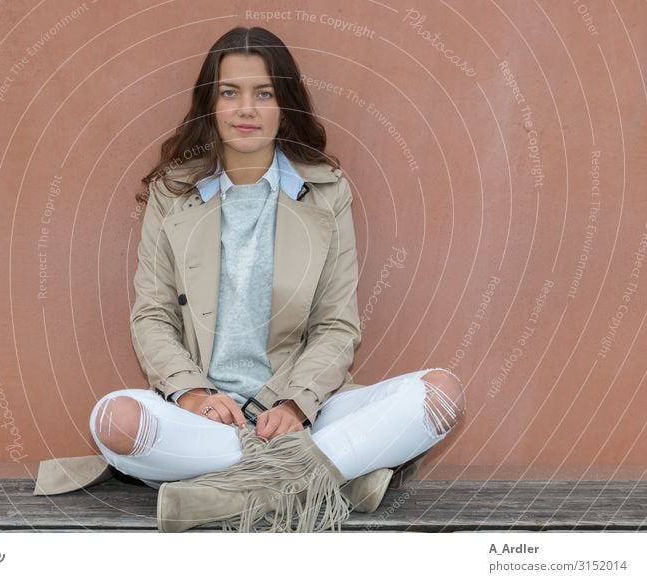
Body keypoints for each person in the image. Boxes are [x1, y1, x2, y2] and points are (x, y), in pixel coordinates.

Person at [88, 26, 466, 532]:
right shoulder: (172, 193)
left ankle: (229, 490)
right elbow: (152, 315)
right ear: (210, 105)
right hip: (206, 422)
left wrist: (294, 403)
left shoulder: (326, 193)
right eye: (230, 93)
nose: (247, 109)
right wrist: (194, 394)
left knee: (441, 396)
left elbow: (336, 325)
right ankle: (333, 476)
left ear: (284, 103)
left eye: (263, 93)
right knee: (115, 421)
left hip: (303, 413)